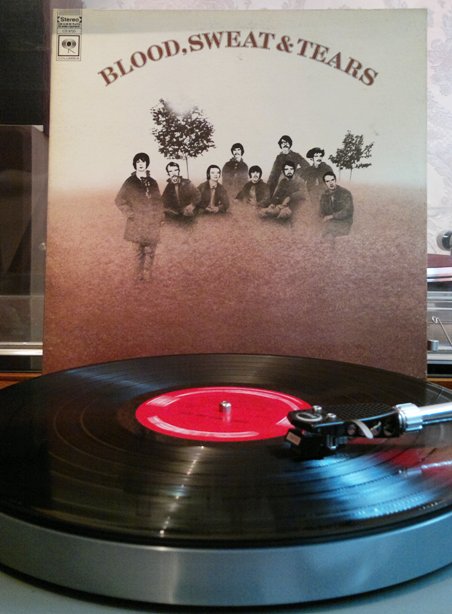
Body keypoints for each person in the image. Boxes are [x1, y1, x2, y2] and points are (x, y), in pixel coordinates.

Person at [115, 152, 162, 280]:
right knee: (138, 251)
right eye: (138, 162)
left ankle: (147, 275)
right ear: (135, 164)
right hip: (136, 223)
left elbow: (158, 202)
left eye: (143, 162)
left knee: (150, 251)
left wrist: (160, 217)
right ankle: (137, 276)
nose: (141, 164)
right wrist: (130, 214)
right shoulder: (130, 182)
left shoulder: (152, 182)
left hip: (151, 222)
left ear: (147, 164)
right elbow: (119, 200)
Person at [319, 172, 354, 238]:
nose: (331, 183)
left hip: (344, 222)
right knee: (317, 234)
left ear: (335, 180)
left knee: (329, 236)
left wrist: (332, 216)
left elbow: (348, 211)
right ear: (325, 183)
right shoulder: (324, 195)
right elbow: (321, 210)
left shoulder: (345, 193)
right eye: (327, 181)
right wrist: (321, 218)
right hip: (329, 223)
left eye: (332, 180)